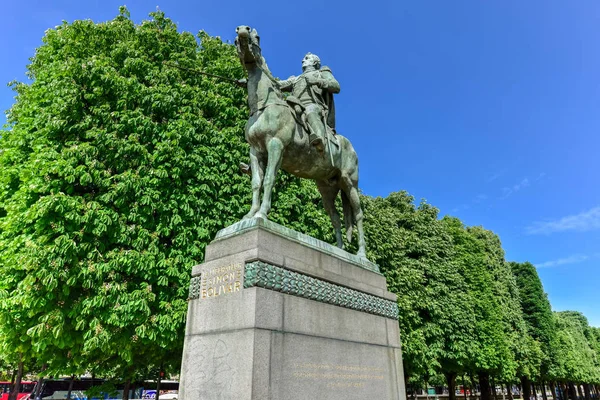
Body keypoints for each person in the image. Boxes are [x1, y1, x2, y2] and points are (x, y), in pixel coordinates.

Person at [277, 53, 340, 150]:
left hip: (314, 105)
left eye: (307, 58)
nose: (303, 60)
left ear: (315, 62)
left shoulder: (321, 73)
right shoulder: (296, 79)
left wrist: (317, 81)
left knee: (310, 111)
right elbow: (277, 84)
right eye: (303, 58)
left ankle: (320, 140)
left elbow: (336, 86)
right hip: (295, 106)